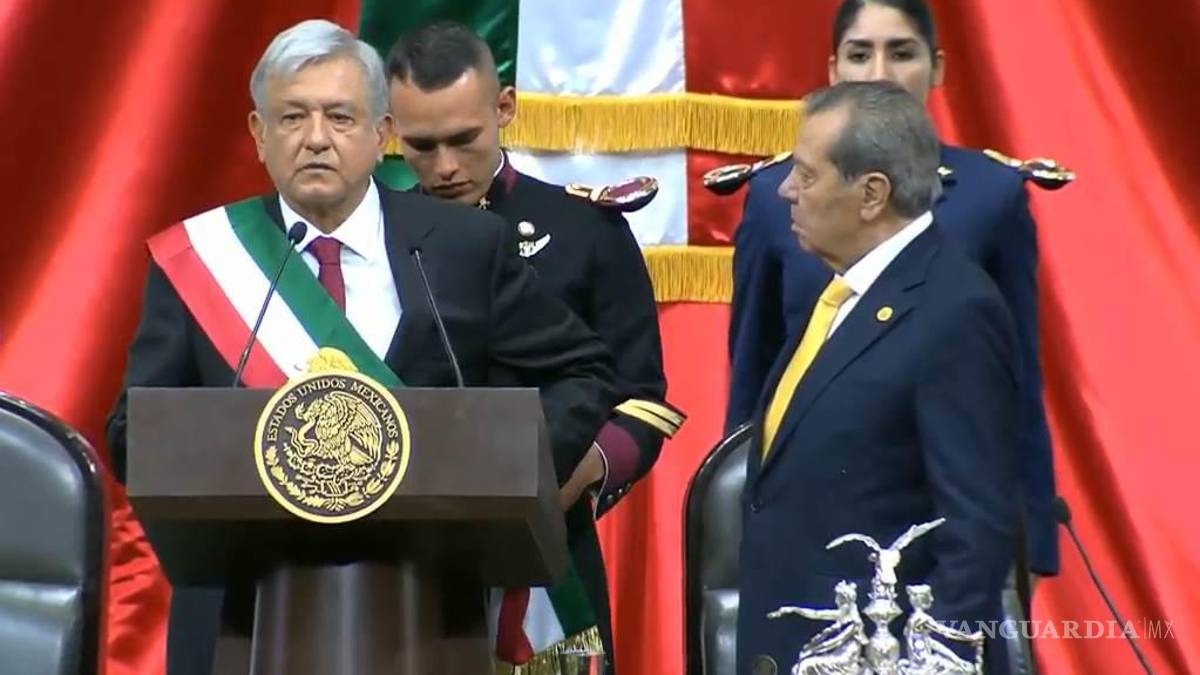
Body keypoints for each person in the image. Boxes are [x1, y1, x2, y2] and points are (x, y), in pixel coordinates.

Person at [105, 19, 616, 675]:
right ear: (259, 135)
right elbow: (133, 433)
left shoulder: (463, 247)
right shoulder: (201, 260)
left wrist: (512, 462)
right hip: (243, 615)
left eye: (340, 117)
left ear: (381, 135)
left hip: (433, 608)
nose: (316, 138)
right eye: (292, 117)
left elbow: (583, 373)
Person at [724, 0, 1060, 580]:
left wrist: (1033, 544)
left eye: (901, 53)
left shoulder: (992, 195)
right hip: (808, 507)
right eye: (860, 55)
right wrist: (739, 523)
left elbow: (1019, 380)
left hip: (943, 509)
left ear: (938, 67)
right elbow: (755, 374)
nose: (880, 73)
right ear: (833, 71)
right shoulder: (778, 198)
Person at [385, 22, 682, 672]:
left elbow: (642, 401)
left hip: (550, 557)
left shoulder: (585, 230)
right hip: (401, 560)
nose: (445, 167)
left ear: (505, 107)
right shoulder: (375, 237)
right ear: (390, 130)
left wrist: (559, 486)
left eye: (464, 139)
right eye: (421, 146)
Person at [735, 80, 1019, 675]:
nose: (785, 190)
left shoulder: (954, 309)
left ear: (871, 194)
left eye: (806, 175)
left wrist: (927, 662)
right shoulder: (844, 295)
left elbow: (976, 532)